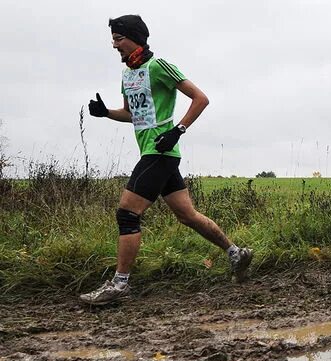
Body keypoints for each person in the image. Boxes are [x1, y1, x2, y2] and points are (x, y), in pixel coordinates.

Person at [80, 15, 252, 306]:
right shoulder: (128, 75)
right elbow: (133, 114)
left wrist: (178, 130)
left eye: (118, 38)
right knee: (187, 215)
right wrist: (106, 112)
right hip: (153, 152)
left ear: (135, 37)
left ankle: (120, 285)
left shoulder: (158, 66)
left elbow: (200, 98)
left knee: (127, 214)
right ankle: (236, 252)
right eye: (112, 39)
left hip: (160, 152)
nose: (114, 45)